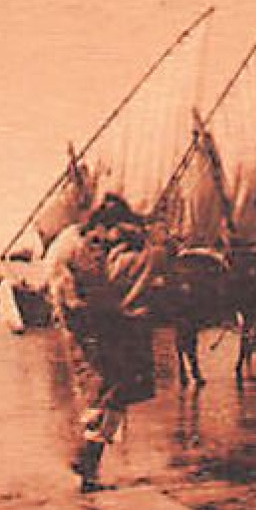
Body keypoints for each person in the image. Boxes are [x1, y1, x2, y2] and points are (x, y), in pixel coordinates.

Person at [53, 194, 167, 492]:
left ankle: (88, 467)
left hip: (94, 328)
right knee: (109, 393)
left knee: (109, 395)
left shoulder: (81, 243)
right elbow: (89, 293)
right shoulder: (97, 249)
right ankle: (87, 461)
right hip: (105, 329)